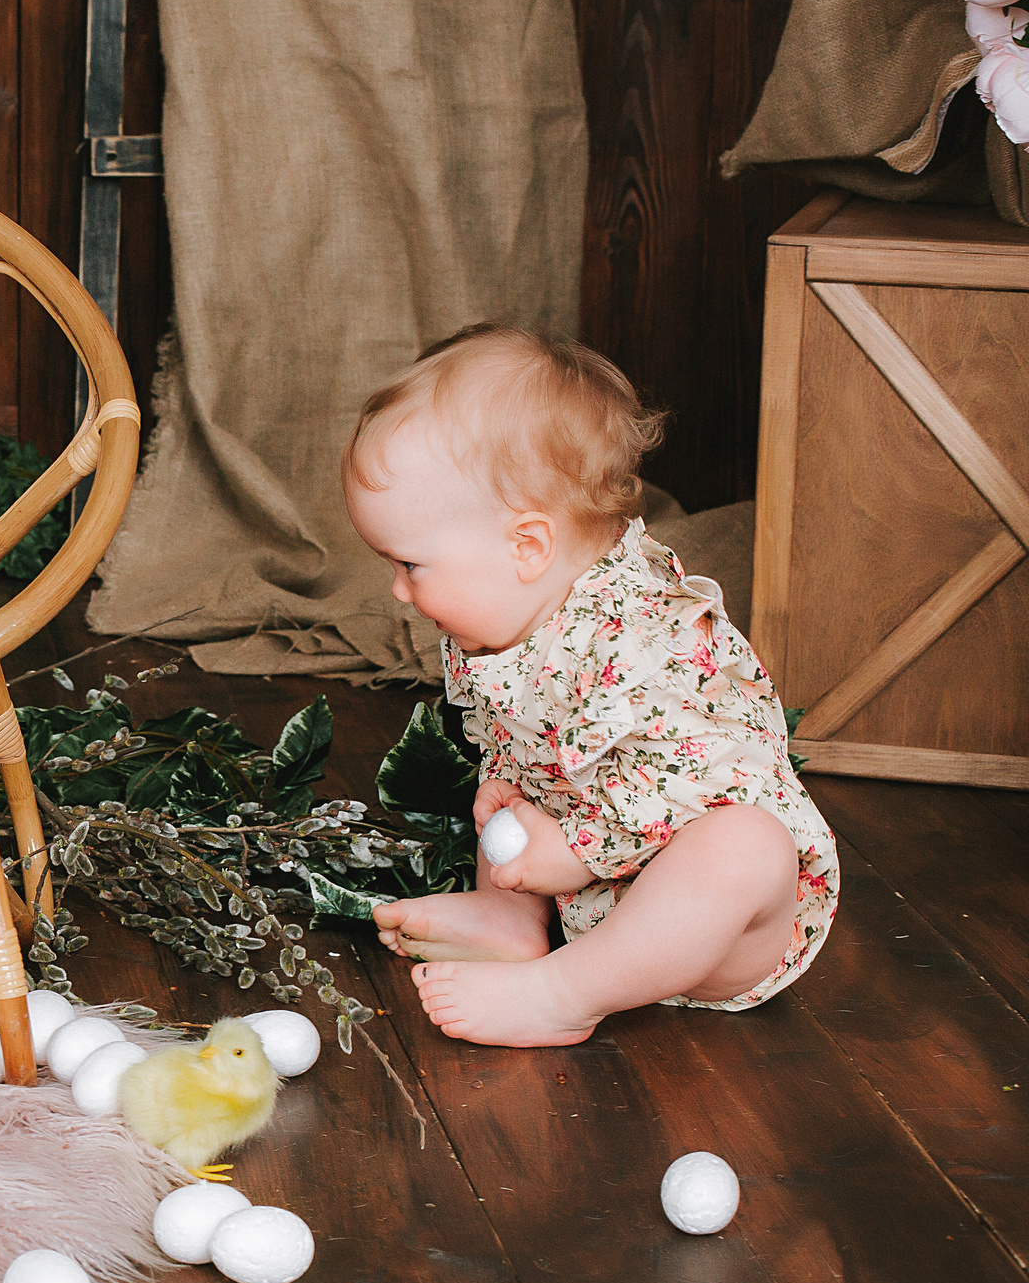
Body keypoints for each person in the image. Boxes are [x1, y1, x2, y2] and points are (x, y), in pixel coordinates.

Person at [341, 323, 836, 1047]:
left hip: (713, 936)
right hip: (586, 885)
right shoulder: (507, 620)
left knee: (746, 846)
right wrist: (506, 784)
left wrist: (574, 850)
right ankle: (508, 920)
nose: (398, 591)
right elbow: (517, 735)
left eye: (410, 565)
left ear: (528, 546)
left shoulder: (643, 637)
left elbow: (686, 778)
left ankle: (564, 994)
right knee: (517, 786)